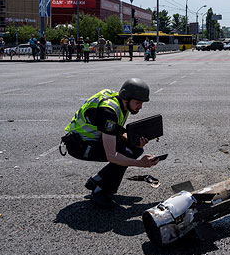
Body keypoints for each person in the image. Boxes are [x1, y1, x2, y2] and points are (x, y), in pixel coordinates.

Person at [61, 78, 159, 208]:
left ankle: (97, 180)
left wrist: (136, 142)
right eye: (138, 103)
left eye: (142, 103)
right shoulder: (108, 111)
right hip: (79, 145)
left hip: (90, 140)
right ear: (126, 98)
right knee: (128, 153)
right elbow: (111, 156)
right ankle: (100, 193)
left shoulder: (119, 101)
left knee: (135, 148)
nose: (140, 107)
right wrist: (140, 164)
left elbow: (115, 131)